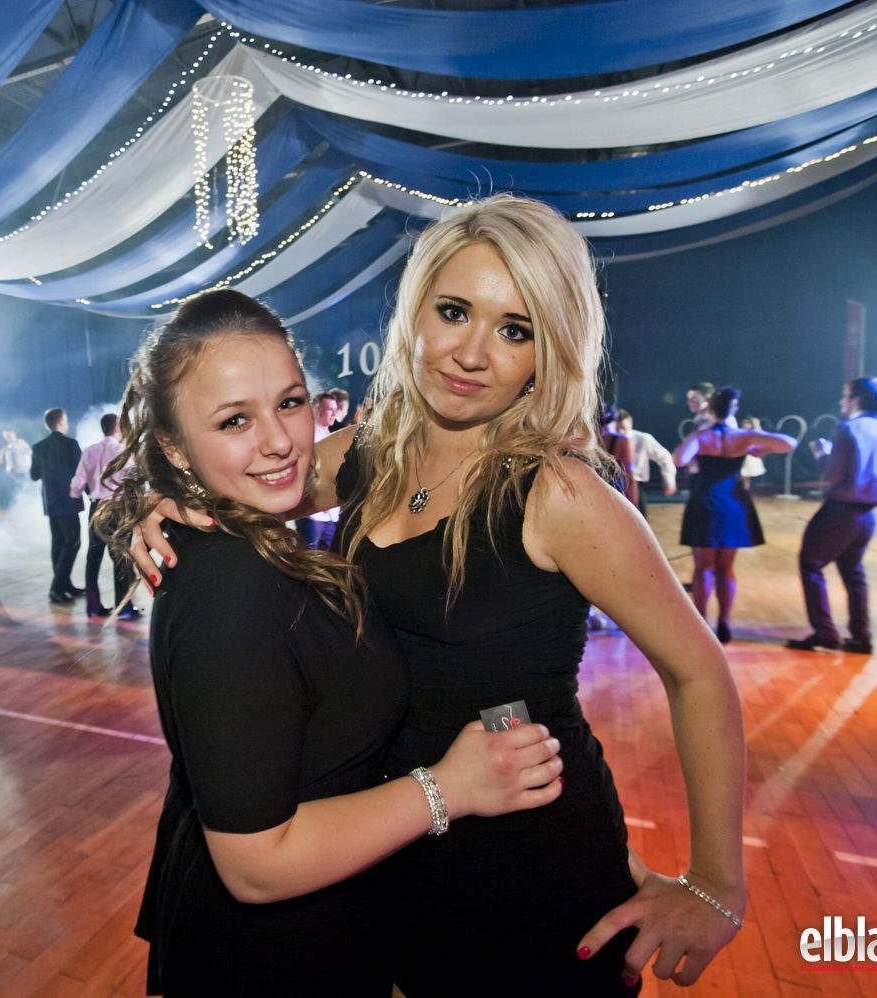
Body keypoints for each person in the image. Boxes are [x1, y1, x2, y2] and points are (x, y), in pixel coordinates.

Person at [134, 196, 749, 992]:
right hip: (388, 848)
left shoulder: (558, 493)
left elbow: (699, 672)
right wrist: (153, 503)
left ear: (550, 350)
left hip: (526, 872)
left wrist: (716, 885)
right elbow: (250, 471)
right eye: (454, 312)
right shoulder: (375, 449)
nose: (472, 353)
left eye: (515, 329)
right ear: (415, 312)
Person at [99, 289, 564, 996]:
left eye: (290, 403)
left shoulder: (238, 543)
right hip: (272, 956)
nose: (280, 441)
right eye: (233, 420)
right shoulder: (233, 588)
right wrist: (451, 788)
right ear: (172, 444)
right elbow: (255, 865)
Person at [787, 377, 877, 654]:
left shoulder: (850, 428)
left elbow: (832, 475)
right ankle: (861, 635)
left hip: (840, 510)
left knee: (810, 564)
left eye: (845, 396)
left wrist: (822, 455)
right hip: (868, 514)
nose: (842, 401)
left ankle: (825, 632)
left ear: (856, 400)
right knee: (853, 571)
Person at [675, 387, 796, 643]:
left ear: (710, 409)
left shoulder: (701, 436)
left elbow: (679, 460)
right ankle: (725, 622)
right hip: (733, 504)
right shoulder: (744, 436)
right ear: (734, 409)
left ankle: (701, 622)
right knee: (726, 568)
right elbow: (789, 443)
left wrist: (694, 450)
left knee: (703, 568)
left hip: (705, 502)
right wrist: (762, 449)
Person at [70, 413, 137, 619]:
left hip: (96, 507)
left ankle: (93, 606)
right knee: (121, 558)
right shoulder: (124, 451)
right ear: (117, 428)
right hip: (117, 508)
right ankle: (123, 608)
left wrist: (77, 495)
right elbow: (133, 480)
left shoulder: (89, 451)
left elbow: (77, 484)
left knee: (93, 559)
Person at [31, 408, 84, 604]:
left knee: (58, 542)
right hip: (69, 501)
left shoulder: (38, 447)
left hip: (51, 502)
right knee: (73, 542)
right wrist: (91, 493)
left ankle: (64, 584)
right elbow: (82, 472)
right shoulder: (71, 444)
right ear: (61, 422)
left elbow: (34, 475)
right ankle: (56, 587)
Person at [294, 393, 343, 549]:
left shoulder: (333, 436)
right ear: (316, 410)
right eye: (329, 410)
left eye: (335, 410)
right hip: (312, 514)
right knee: (309, 556)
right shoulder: (306, 437)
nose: (334, 414)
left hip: (331, 515)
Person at [616, 408, 678, 514]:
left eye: (623, 428)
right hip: (613, 485)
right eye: (617, 430)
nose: (621, 432)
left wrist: (670, 480)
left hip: (636, 485)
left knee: (637, 518)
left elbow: (664, 457)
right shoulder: (608, 439)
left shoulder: (642, 438)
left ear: (630, 423)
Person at [738, 416, 768, 490]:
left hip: (749, 457)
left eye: (747, 423)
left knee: (745, 477)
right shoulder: (739, 432)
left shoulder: (753, 433)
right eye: (744, 423)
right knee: (740, 477)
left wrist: (757, 424)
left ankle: (744, 492)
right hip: (740, 456)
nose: (745, 424)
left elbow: (761, 435)